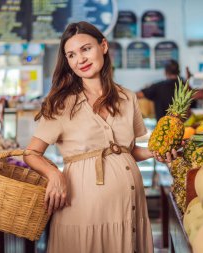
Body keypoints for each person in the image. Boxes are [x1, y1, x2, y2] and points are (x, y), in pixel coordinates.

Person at [23, 21, 177, 253]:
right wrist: (53, 173)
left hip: (129, 209)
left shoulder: (128, 97)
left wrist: (156, 153)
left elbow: (127, 151)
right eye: (71, 55)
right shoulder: (61, 103)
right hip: (81, 210)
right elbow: (31, 153)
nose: (80, 60)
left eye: (86, 49)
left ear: (103, 46)